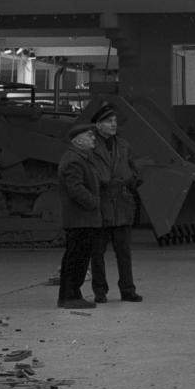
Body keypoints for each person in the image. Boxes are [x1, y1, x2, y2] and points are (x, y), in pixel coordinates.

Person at [79, 104, 144, 303]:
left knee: (124, 253)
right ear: (98, 125)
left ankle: (128, 289)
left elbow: (133, 168)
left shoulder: (123, 145)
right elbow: (87, 172)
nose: (113, 124)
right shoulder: (90, 146)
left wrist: (133, 178)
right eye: (109, 121)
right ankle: (100, 291)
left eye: (115, 121)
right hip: (101, 205)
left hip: (122, 204)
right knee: (97, 253)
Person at [55, 108, 106, 310]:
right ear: (77, 140)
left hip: (82, 218)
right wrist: (94, 202)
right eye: (89, 135)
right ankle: (69, 296)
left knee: (77, 257)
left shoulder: (80, 158)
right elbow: (75, 189)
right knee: (77, 258)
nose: (93, 138)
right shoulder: (74, 160)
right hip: (80, 218)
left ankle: (72, 295)